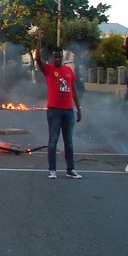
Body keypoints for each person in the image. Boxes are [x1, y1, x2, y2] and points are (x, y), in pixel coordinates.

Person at [35, 30, 83, 180]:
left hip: (69, 111)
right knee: (53, 140)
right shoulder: (48, 69)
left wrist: (78, 108)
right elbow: (37, 58)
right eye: (55, 56)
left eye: (59, 56)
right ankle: (52, 170)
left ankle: (70, 169)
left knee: (68, 141)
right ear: (52, 57)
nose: (57, 58)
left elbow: (73, 90)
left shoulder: (68, 70)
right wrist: (39, 41)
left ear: (62, 57)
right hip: (54, 110)